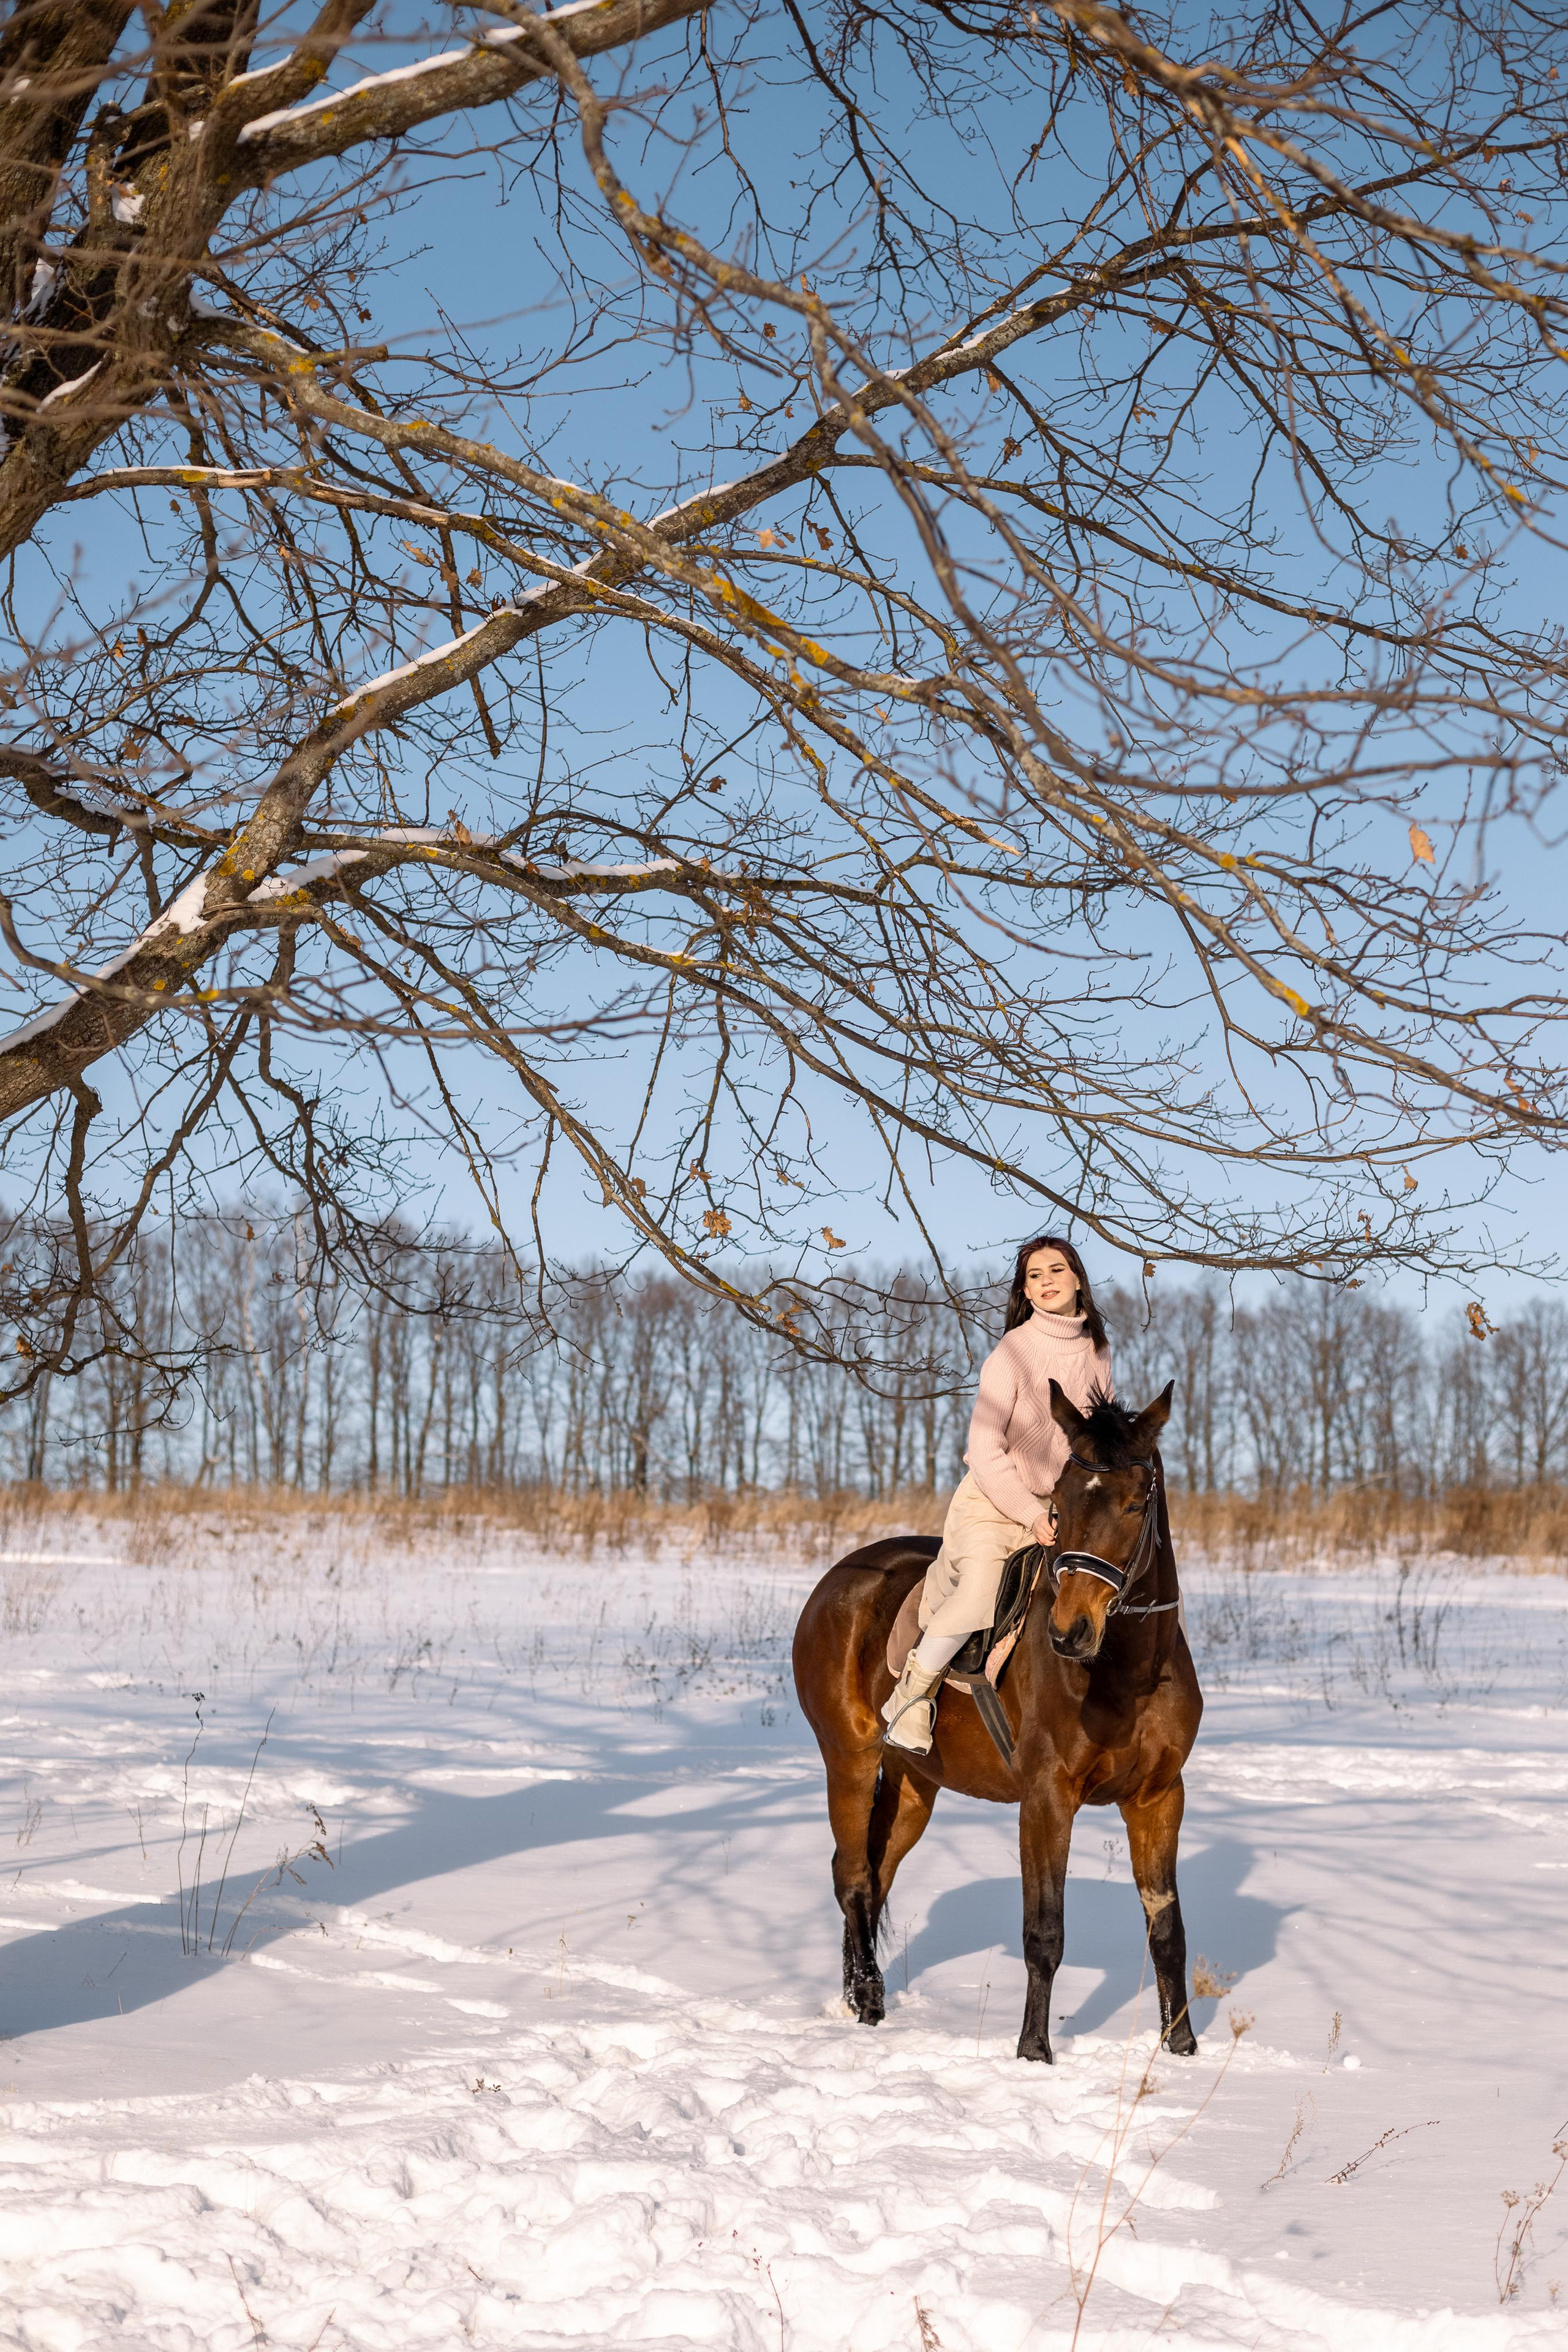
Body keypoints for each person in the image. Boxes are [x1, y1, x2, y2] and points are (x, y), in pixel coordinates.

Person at [883, 1234, 1114, 1753]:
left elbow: (1096, 1441)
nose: (1047, 1281)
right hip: (993, 1500)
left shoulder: (1097, 1351)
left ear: (1078, 1278)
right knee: (984, 1587)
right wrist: (1031, 1513)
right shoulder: (1012, 1352)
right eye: (1035, 1275)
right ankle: (911, 1696)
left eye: (1056, 1270)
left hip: (1060, 1507)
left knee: (1113, 1575)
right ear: (1025, 1291)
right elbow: (985, 1451)